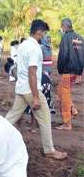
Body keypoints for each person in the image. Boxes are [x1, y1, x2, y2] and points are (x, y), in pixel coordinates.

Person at [5, 19, 67, 160]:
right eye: (44, 33)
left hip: (21, 87)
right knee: (45, 118)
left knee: (12, 116)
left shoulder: (23, 45)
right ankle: (49, 150)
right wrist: (36, 97)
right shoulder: (34, 48)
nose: (45, 36)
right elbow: (32, 73)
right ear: (39, 32)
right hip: (31, 89)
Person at [56, 18, 84, 131]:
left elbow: (63, 55)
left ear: (63, 26)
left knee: (64, 97)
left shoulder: (65, 37)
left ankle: (67, 123)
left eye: (61, 27)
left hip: (67, 71)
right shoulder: (81, 38)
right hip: (76, 71)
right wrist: (80, 72)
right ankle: (72, 109)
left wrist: (60, 70)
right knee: (60, 91)